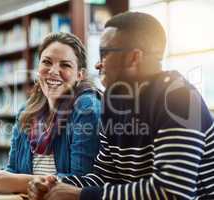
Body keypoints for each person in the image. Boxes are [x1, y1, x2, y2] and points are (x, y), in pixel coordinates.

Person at [28, 12, 214, 200]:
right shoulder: (113, 103)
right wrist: (53, 184)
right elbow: (103, 178)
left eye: (104, 53)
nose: (97, 64)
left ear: (134, 57)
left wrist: (79, 194)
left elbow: (171, 193)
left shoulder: (179, 98)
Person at [0, 32, 101, 194]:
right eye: (47, 62)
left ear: (80, 75)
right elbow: (13, 170)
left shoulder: (86, 107)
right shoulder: (27, 111)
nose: (53, 71)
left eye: (65, 65)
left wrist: (17, 182)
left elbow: (82, 182)